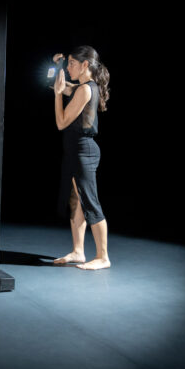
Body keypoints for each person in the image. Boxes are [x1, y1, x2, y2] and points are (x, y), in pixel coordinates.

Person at [52, 45, 111, 270]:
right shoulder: (81, 87)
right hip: (75, 151)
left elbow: (61, 122)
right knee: (76, 202)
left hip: (83, 151)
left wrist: (58, 95)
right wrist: (58, 66)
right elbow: (59, 85)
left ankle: (103, 257)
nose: (69, 68)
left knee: (90, 203)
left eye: (71, 64)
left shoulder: (86, 89)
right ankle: (78, 251)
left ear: (85, 64)